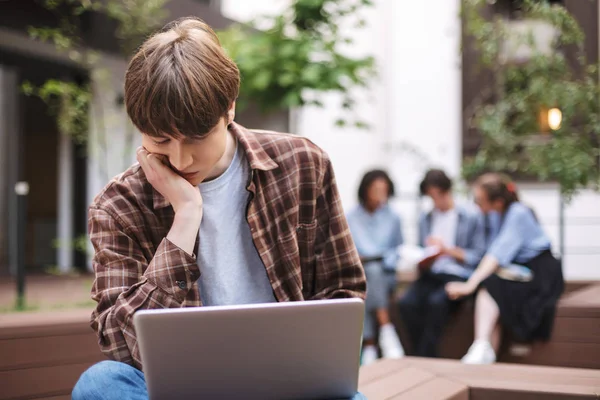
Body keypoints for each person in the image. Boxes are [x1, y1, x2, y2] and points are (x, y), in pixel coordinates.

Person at [72, 17, 367, 400]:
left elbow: (342, 291)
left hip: (290, 384)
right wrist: (185, 220)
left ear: (230, 109)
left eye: (196, 137)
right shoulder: (119, 205)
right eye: (160, 139)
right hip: (182, 390)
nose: (180, 158)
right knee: (99, 385)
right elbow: (117, 342)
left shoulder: (302, 164)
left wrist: (305, 364)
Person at [446, 173, 564, 364]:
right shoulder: (494, 215)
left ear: (498, 202)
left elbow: (495, 256)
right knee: (494, 289)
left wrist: (470, 284)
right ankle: (484, 350)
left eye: (479, 200)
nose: (476, 205)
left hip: (540, 273)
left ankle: (482, 346)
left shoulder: (518, 213)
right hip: (517, 270)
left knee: (490, 285)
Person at [398, 169, 486, 357]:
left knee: (436, 304)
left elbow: (477, 256)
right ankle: (420, 353)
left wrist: (446, 250)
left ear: (447, 191)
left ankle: (425, 357)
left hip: (457, 275)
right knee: (406, 303)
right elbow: (423, 250)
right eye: (431, 197)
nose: (436, 201)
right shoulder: (426, 218)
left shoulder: (470, 216)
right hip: (432, 273)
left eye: (439, 195)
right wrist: (423, 258)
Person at [346, 170, 405, 365]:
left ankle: (370, 344)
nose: (381, 194)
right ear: (366, 190)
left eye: (384, 190)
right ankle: (386, 329)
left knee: (373, 272)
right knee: (368, 273)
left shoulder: (394, 217)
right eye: (376, 189)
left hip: (385, 273)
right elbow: (348, 249)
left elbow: (398, 249)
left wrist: (382, 259)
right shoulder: (351, 217)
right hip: (359, 272)